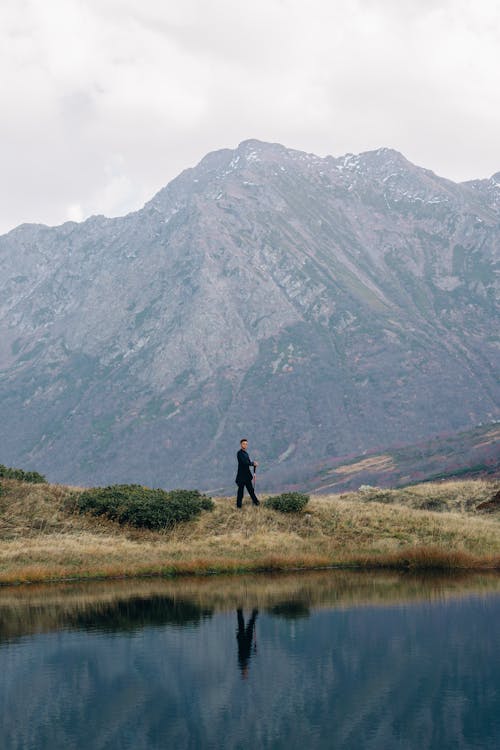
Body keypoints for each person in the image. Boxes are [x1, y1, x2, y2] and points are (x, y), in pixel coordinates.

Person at [235, 438, 260, 508]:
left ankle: (257, 503)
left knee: (251, 491)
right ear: (241, 444)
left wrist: (253, 464)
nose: (245, 445)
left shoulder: (246, 453)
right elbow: (244, 463)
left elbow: (248, 463)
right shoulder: (239, 453)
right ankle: (238, 506)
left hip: (247, 476)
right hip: (241, 476)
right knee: (240, 492)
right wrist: (253, 463)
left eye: (246, 444)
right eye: (244, 444)